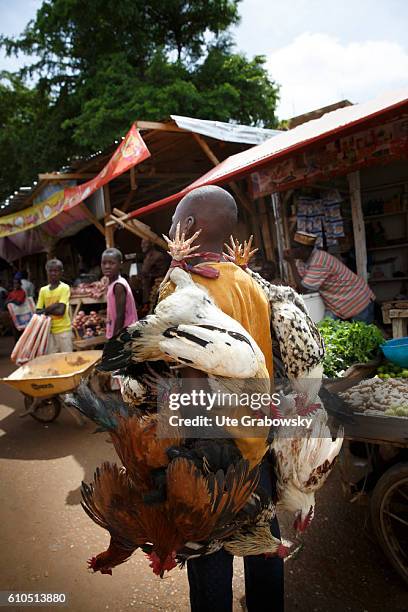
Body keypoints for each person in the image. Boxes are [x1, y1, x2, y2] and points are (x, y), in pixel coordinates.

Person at [159, 186, 283, 612]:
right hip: (256, 440)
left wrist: (180, 452)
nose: (171, 229)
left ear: (190, 226)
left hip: (211, 448)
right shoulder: (251, 283)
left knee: (210, 554)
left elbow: (181, 380)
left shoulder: (184, 286)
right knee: (263, 541)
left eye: (175, 219)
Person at [284, 231, 376, 323]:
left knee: (362, 334)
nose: (290, 250)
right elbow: (301, 284)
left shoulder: (319, 260)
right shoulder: (301, 262)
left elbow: (304, 288)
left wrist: (291, 263)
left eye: (294, 247)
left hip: (356, 300)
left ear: (305, 249)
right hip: (337, 304)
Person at [36, 259, 73, 353]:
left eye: (56, 271)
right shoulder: (43, 290)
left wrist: (45, 310)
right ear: (47, 272)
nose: (53, 273)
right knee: (53, 362)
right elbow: (37, 312)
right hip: (49, 331)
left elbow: (61, 312)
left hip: (64, 330)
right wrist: (54, 306)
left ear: (61, 272)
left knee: (67, 360)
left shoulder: (64, 288)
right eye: (50, 271)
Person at [101, 248, 138, 338]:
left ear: (120, 265)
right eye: (104, 263)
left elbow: (120, 315)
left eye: (111, 263)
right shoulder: (112, 283)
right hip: (123, 332)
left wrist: (114, 338)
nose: (107, 266)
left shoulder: (118, 286)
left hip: (124, 333)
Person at [140, 239, 170, 312]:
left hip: (155, 287)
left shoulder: (158, 256)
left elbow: (162, 272)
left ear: (151, 244)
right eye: (142, 244)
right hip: (147, 289)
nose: (142, 246)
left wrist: (148, 275)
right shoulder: (147, 257)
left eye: (145, 243)